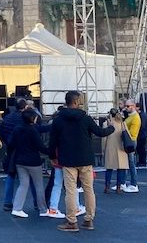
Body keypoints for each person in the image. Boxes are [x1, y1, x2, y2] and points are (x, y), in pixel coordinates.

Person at [48, 91, 114, 232]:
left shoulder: (59, 120)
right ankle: (89, 219)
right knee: (88, 189)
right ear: (77, 102)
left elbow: (52, 141)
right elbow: (100, 133)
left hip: (68, 159)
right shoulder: (86, 118)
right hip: (85, 158)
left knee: (70, 191)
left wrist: (53, 156)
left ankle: (72, 221)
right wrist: (111, 127)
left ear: (67, 102)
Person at [9, 109, 50, 218]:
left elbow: (11, 143)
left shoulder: (17, 129)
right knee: (39, 185)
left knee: (23, 184)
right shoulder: (33, 130)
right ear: (33, 118)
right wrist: (51, 152)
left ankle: (17, 208)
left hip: (20, 160)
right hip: (33, 161)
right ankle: (43, 209)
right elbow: (40, 146)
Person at [102, 108, 128, 194]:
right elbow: (128, 135)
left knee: (109, 168)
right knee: (120, 168)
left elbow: (104, 138)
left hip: (110, 148)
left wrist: (103, 149)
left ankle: (107, 186)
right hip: (121, 148)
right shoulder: (122, 123)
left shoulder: (107, 124)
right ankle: (118, 187)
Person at [121, 99, 141, 193]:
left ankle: (134, 184)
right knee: (127, 162)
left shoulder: (135, 117)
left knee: (131, 163)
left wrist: (124, 125)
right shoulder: (131, 116)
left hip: (131, 141)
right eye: (126, 106)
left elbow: (133, 134)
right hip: (129, 140)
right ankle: (123, 183)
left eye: (128, 106)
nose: (126, 108)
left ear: (133, 106)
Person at [135, 102, 147, 167]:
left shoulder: (142, 115)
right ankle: (141, 161)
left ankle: (142, 161)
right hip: (141, 134)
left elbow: (142, 125)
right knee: (139, 148)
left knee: (141, 148)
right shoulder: (139, 114)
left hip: (142, 135)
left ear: (138, 107)